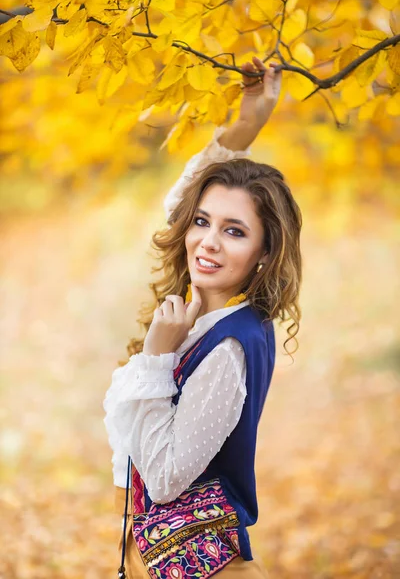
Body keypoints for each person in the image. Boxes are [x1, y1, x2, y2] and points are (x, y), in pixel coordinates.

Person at [103, 56, 302, 579]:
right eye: (202, 222)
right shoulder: (203, 318)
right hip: (159, 556)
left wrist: (155, 359)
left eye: (235, 231)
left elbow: (166, 478)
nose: (207, 242)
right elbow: (181, 202)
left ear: (264, 252)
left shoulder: (229, 346)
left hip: (205, 566)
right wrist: (245, 124)